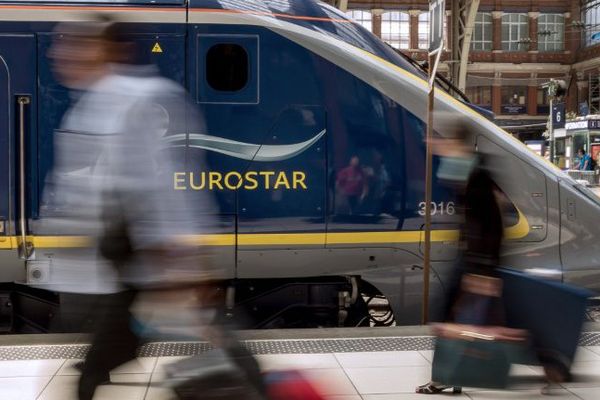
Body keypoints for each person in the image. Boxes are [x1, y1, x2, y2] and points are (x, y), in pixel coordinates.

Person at [47, 18, 217, 400]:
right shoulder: (91, 103)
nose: (59, 52)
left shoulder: (142, 99)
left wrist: (187, 262)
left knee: (94, 370)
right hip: (119, 266)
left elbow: (165, 186)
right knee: (109, 357)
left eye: (75, 44)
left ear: (107, 49)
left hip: (143, 259)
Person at [416, 131, 505, 395]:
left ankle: (552, 365)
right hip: (470, 259)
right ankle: (447, 376)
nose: (434, 146)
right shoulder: (467, 174)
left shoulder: (476, 177)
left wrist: (485, 270)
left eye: (439, 141)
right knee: (450, 316)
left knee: (450, 316)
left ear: (455, 143)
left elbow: (492, 226)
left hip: (476, 263)